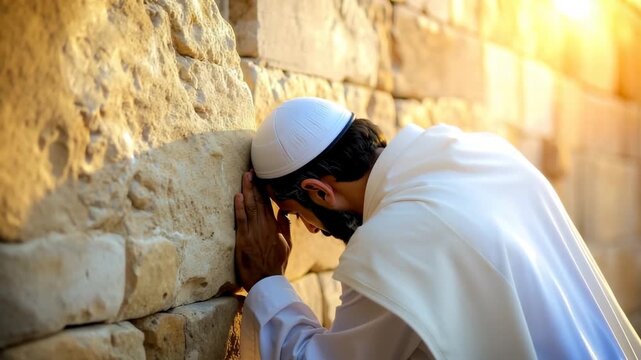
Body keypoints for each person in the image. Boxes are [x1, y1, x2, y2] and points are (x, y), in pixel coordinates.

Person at [233, 97, 641, 359]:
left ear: (318, 192)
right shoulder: (483, 151)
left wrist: (268, 283)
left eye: (295, 213)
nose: (313, 230)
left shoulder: (392, 244)